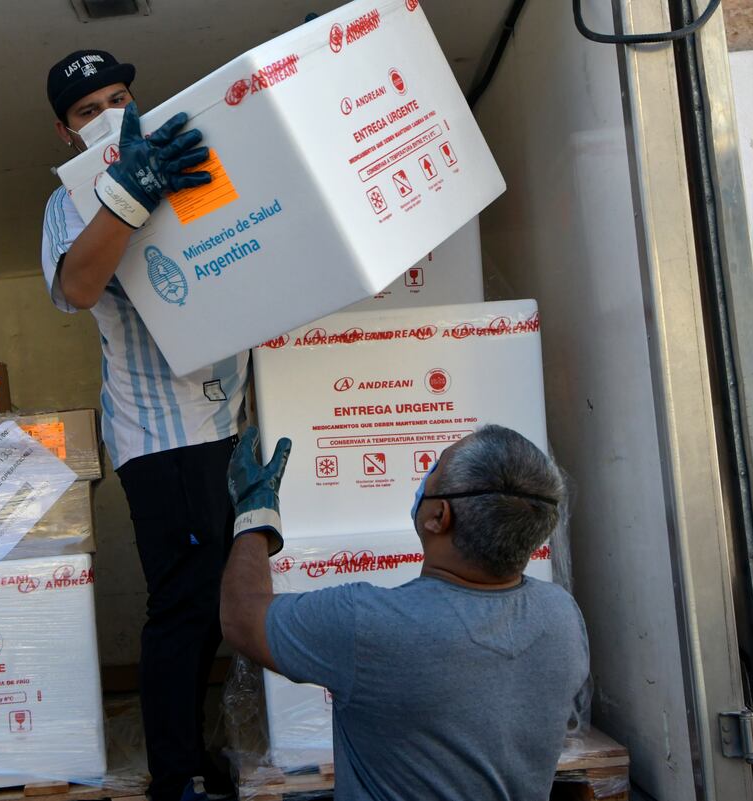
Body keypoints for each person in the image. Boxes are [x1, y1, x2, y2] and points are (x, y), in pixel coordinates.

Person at [41, 50, 249, 801]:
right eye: (87, 110)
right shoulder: (68, 203)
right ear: (67, 132)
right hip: (160, 437)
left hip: (225, 422)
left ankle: (191, 751)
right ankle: (177, 773)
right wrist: (127, 196)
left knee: (214, 606)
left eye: (119, 98)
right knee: (184, 604)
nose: (108, 116)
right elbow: (76, 286)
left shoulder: (188, 156)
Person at [221, 425, 591, 801]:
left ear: (439, 516)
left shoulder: (370, 624)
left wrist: (255, 513)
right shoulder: (561, 615)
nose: (425, 477)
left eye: (434, 469)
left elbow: (241, 616)